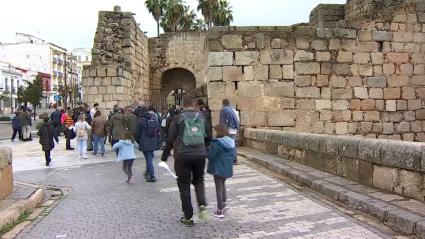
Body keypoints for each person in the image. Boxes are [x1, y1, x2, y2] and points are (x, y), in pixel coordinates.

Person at [161, 96, 212, 226]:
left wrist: (165, 156)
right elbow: (209, 136)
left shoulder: (178, 118)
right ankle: (202, 205)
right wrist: (204, 150)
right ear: (194, 104)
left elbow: (170, 138)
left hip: (183, 155)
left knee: (184, 186)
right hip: (200, 155)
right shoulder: (202, 117)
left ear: (183, 105)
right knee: (199, 180)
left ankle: (188, 217)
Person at [207, 124, 235, 218]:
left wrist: (206, 151)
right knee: (222, 185)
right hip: (226, 168)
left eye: (215, 131)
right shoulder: (231, 142)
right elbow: (234, 157)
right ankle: (223, 204)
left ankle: (220, 211)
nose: (214, 133)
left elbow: (211, 155)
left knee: (218, 188)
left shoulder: (217, 142)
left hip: (218, 168)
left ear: (219, 131)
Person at [135, 106, 160, 182]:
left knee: (149, 158)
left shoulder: (140, 120)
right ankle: (147, 172)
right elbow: (158, 129)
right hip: (153, 141)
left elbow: (137, 134)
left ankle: (152, 176)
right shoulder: (154, 118)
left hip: (144, 142)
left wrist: (139, 142)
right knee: (150, 157)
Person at [219, 99, 240, 165]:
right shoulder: (234, 111)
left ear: (223, 103)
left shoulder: (223, 110)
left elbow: (221, 121)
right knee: (233, 145)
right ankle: (234, 160)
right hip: (233, 130)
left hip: (226, 130)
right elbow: (237, 120)